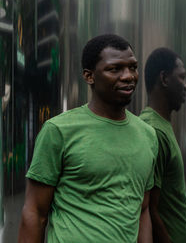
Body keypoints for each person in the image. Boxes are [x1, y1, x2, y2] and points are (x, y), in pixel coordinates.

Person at [18, 34, 158, 243]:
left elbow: (143, 210)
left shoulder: (148, 135)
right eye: (115, 69)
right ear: (89, 76)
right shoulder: (59, 131)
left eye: (133, 67)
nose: (129, 76)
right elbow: (35, 213)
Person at [140, 47, 186, 243]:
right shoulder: (153, 130)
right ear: (164, 79)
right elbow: (147, 208)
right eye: (182, 77)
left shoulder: (161, 125)